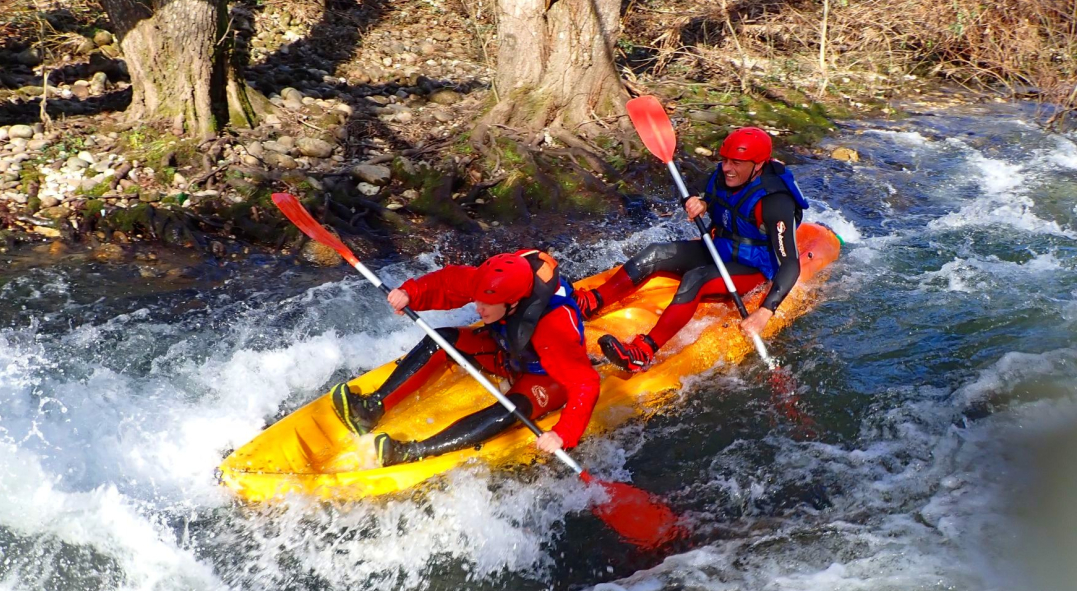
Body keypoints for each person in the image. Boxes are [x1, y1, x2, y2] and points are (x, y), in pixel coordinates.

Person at [330, 249, 600, 467]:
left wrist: (563, 432)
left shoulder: (553, 327)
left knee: (510, 409)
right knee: (443, 337)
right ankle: (371, 408)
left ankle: (411, 452)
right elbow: (446, 283)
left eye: (486, 304)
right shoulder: (491, 284)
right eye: (478, 300)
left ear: (514, 303)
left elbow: (586, 383)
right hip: (504, 352)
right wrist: (409, 293)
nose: (478, 307)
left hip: (545, 376)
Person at [577, 126, 809, 372]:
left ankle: (643, 352)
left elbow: (790, 264)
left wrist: (765, 311)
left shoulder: (775, 201)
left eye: (737, 163)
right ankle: (592, 301)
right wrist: (700, 202)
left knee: (695, 278)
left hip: (753, 267)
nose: (727, 168)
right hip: (719, 247)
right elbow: (706, 195)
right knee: (655, 252)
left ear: (759, 164)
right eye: (725, 160)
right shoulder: (723, 174)